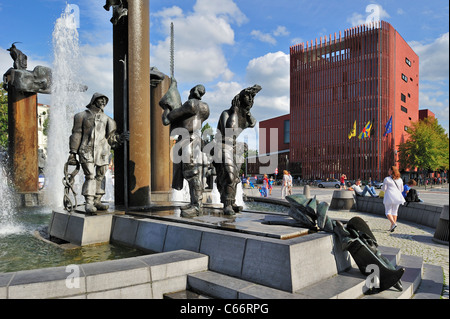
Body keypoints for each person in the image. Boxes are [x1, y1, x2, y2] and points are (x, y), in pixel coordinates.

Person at [68, 93, 128, 214]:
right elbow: (76, 134)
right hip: (86, 150)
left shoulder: (108, 120)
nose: (103, 103)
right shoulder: (81, 116)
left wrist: (120, 138)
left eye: (104, 101)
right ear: (94, 101)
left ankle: (97, 200)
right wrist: (73, 152)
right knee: (90, 175)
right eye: (100, 100)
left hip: (103, 152)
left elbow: (111, 138)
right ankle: (89, 202)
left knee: (100, 176)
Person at [382, 166, 405, 232]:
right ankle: (392, 227)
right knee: (395, 212)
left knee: (388, 212)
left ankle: (394, 223)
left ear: (392, 171)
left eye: (389, 170)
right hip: (398, 197)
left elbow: (384, 189)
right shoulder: (400, 179)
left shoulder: (387, 179)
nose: (388, 171)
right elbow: (401, 189)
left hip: (389, 196)